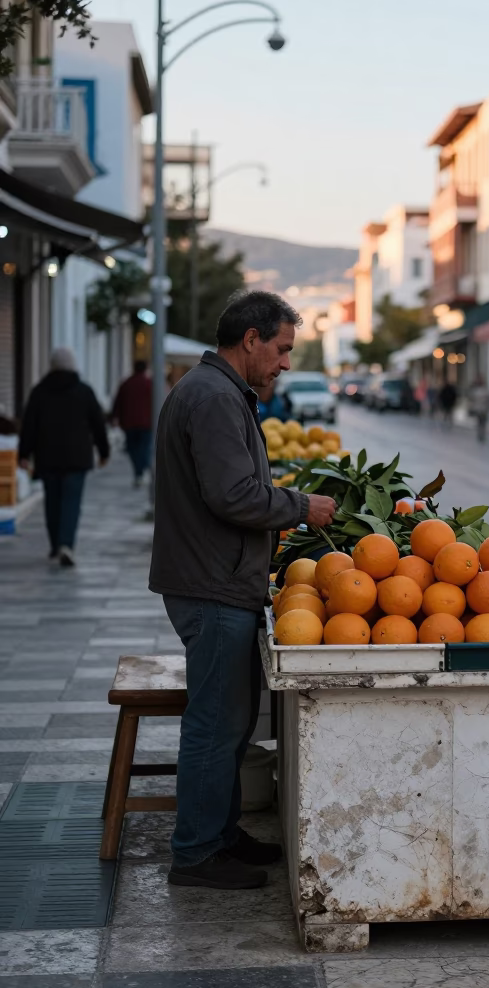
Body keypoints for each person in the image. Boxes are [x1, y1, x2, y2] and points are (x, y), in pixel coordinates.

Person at [149, 290, 336, 891]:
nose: (285, 362)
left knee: (229, 723)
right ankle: (197, 854)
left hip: (221, 578)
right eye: (281, 349)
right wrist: (303, 507)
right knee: (214, 724)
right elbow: (232, 495)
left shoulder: (220, 394)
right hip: (212, 583)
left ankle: (221, 836)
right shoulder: (211, 398)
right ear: (250, 339)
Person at [18, 347, 110, 567]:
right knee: (71, 502)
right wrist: (104, 451)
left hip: (47, 456)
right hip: (77, 457)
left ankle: (55, 545)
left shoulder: (39, 391)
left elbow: (29, 425)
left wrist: (24, 454)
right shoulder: (84, 391)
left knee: (52, 502)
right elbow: (98, 424)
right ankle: (66, 545)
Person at [110, 361, 153, 487]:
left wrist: (113, 418)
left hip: (129, 423)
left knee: (132, 449)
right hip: (146, 423)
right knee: (144, 448)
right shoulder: (149, 384)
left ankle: (139, 472)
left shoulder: (126, 384)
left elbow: (117, 402)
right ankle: (142, 470)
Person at [467, 375, 489, 442]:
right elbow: (488, 401)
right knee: (482, 423)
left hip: (479, 410)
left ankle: (480, 434)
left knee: (480, 423)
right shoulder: (485, 391)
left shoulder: (476, 391)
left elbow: (472, 400)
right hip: (483, 410)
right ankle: (482, 434)